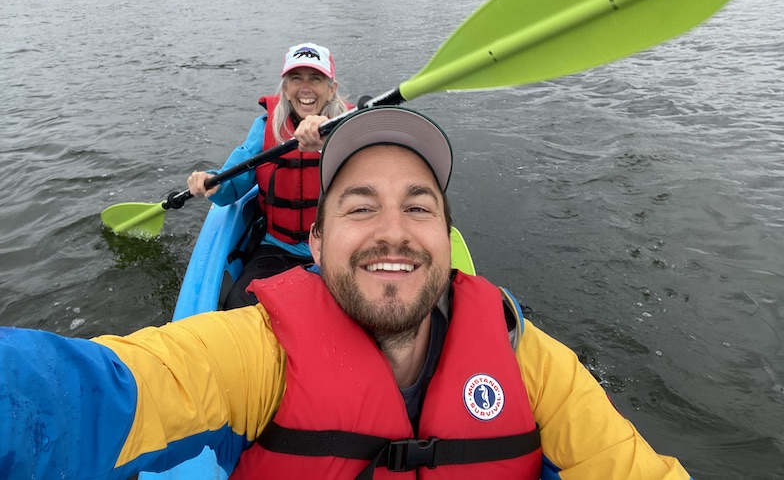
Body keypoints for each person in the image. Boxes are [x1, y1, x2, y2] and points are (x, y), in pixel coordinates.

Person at [0, 107, 692, 479]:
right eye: (360, 207)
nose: (394, 232)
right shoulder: (255, 354)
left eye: (419, 208)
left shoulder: (530, 361)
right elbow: (83, 397)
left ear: (447, 243)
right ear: (317, 242)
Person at [187, 41, 352, 308]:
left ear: (331, 89)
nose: (305, 87)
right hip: (277, 248)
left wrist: (333, 138)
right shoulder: (265, 127)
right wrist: (211, 183)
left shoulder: (353, 127)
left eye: (316, 79)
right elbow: (233, 186)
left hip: (337, 249)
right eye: (296, 79)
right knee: (238, 304)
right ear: (286, 89)